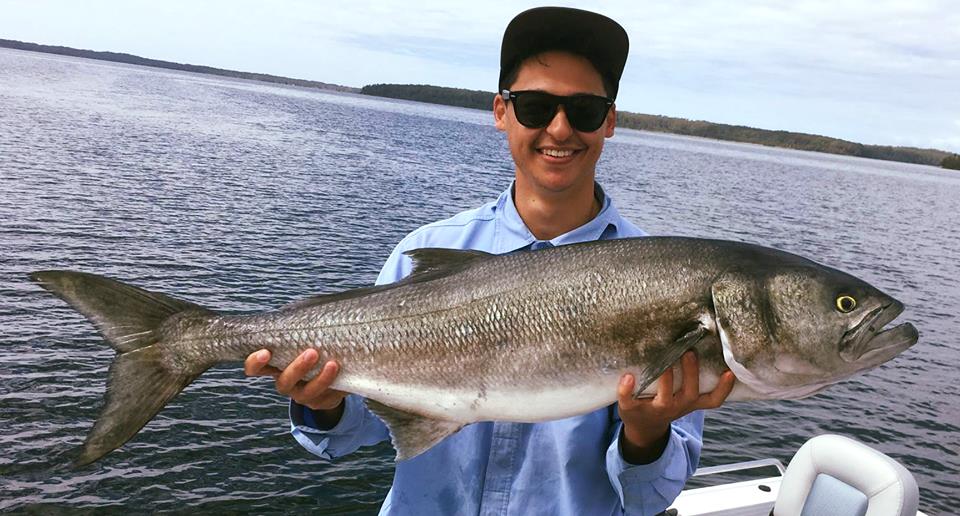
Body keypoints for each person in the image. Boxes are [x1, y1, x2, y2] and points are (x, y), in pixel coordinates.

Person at [245, 7, 736, 515]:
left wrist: (646, 433)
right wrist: (322, 404)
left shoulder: (666, 282)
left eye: (585, 110)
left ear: (608, 122)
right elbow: (348, 436)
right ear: (501, 111)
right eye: (536, 106)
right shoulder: (429, 245)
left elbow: (648, 499)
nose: (561, 128)